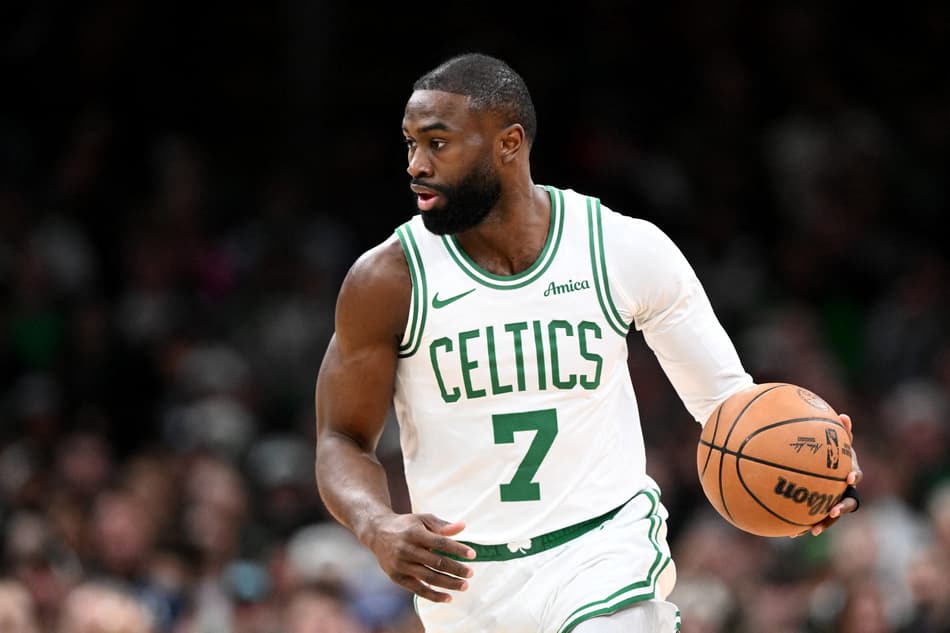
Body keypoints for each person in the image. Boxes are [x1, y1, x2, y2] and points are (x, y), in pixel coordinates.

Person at [314, 52, 862, 632]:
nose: (416, 165)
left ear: (509, 143)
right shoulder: (387, 279)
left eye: (437, 143)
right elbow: (340, 437)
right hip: (466, 586)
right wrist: (375, 524)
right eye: (409, 145)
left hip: (602, 555)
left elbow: (728, 406)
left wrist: (805, 471)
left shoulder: (620, 248)